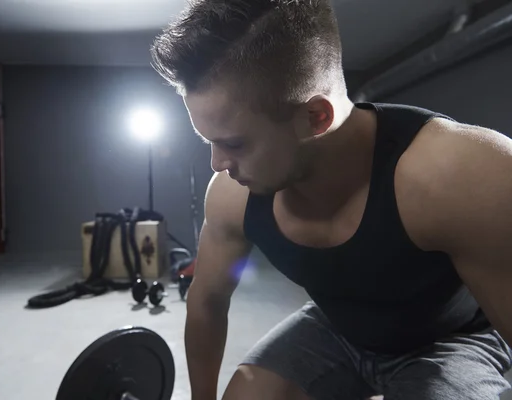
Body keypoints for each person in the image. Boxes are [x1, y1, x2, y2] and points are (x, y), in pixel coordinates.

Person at [150, 1, 512, 399]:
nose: (218, 164)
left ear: (316, 118)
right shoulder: (231, 194)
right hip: (336, 328)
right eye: (209, 141)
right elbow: (207, 302)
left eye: (234, 143)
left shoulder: (458, 175)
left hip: (450, 340)